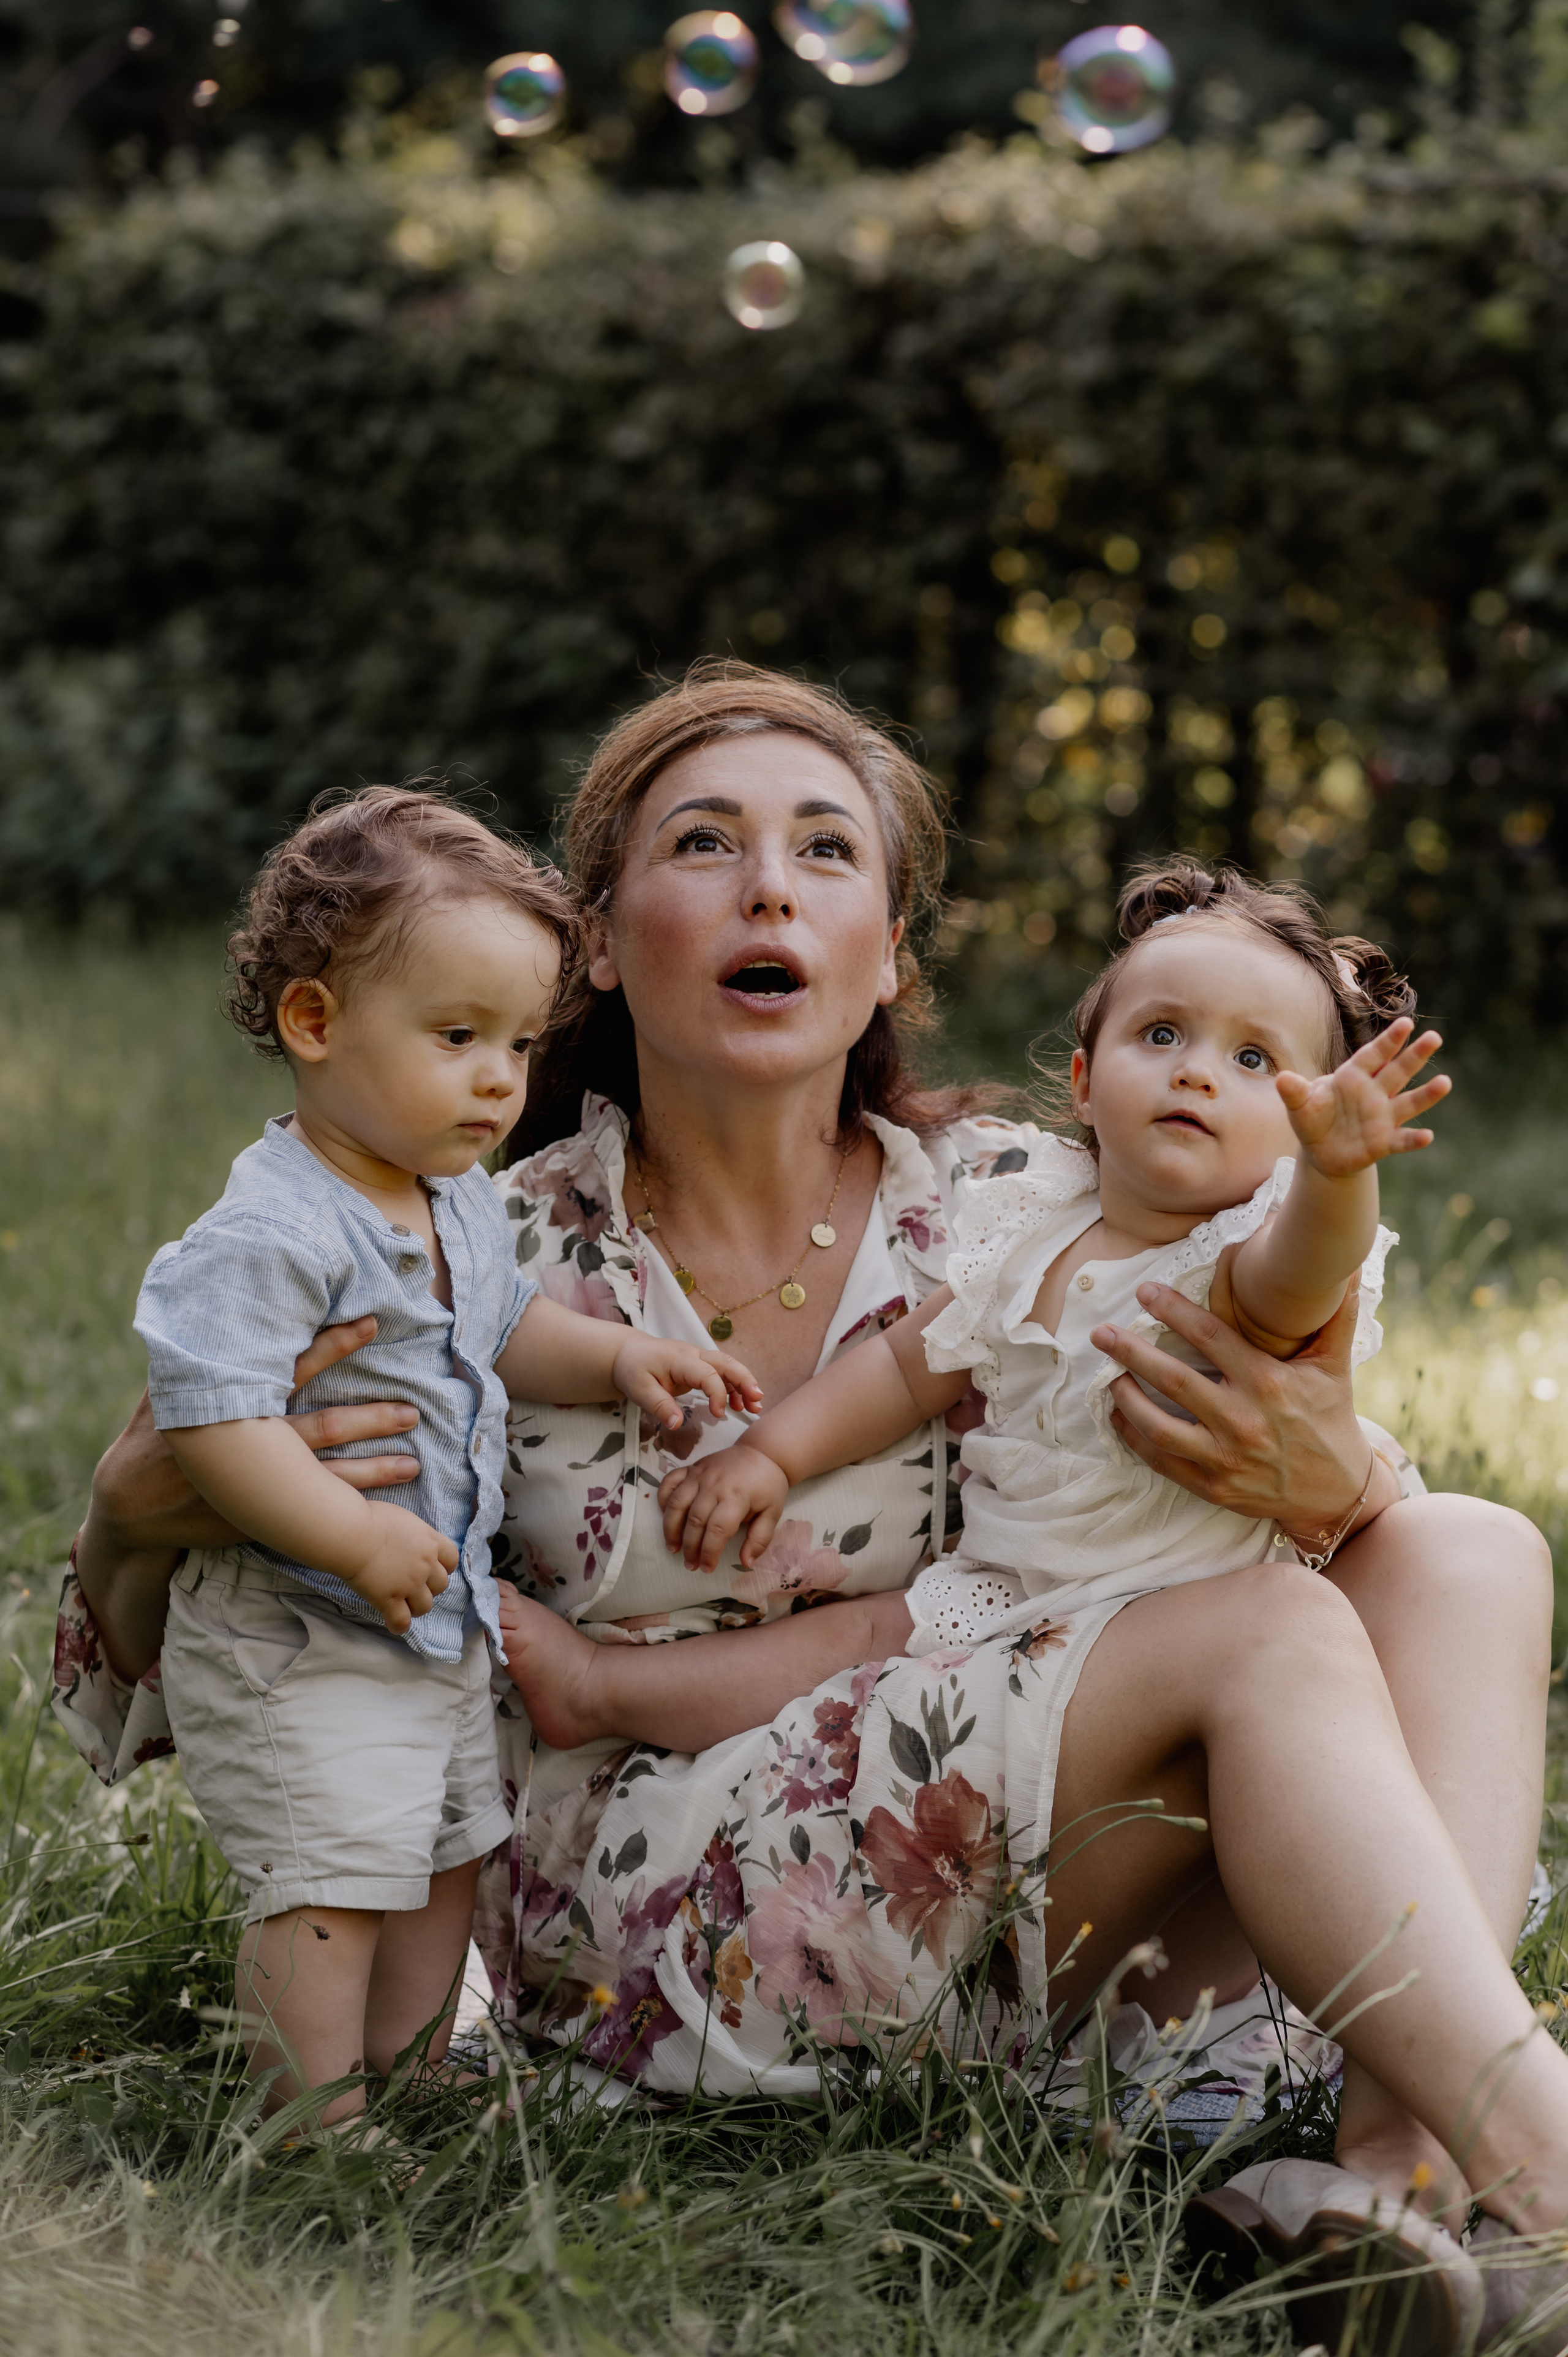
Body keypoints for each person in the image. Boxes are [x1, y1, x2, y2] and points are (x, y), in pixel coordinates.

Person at [57, 667, 1566, 2352]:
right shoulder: (469, 1247)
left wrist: (1343, 1474)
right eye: (705, 843)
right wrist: (135, 1509)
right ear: (599, 951)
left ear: (889, 959)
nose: (771, 886)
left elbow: (1312, 1428)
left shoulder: (1031, 1199)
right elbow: (169, 1660)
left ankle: (1396, 2185)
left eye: (827, 852)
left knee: (1469, 1548)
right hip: (674, 1921)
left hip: (1056, 1886)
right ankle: (1552, 2176)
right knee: (1276, 1627)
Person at [494, 861, 1449, 1749]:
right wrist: (768, 1455)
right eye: (1161, 1035)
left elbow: (1311, 1267)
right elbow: (908, 1364)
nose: (1196, 1070)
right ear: (1082, 1081)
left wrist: (1337, 1174)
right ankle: (597, 1693)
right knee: (861, 1638)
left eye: (1253, 1062)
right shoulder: (1032, 1226)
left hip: (1177, 1621)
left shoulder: (1235, 1262)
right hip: (1006, 1591)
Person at [131, 784, 756, 2125]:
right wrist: (349, 1533)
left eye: (519, 1043)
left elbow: (505, 1325)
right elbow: (216, 1417)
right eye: (457, 1035)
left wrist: (617, 1360)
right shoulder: (272, 1228)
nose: (497, 1078)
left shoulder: (453, 1197)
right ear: (315, 1022)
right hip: (298, 1626)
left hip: (423, 1622)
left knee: (438, 1862)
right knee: (332, 1880)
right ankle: (311, 2126)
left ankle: (411, 2086)